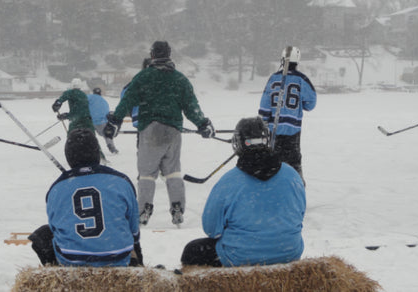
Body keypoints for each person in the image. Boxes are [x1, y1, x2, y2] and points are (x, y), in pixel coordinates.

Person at [104, 41, 215, 226]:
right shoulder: (180, 79)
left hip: (150, 128)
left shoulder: (143, 77)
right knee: (173, 171)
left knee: (147, 173)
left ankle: (144, 209)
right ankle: (177, 207)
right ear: (169, 55)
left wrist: (115, 121)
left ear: (152, 55)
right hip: (173, 130)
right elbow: (191, 107)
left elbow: (128, 100)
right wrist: (203, 124)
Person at [180, 117, 306, 267]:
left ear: (238, 143)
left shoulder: (228, 181)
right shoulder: (292, 175)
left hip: (239, 256)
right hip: (289, 252)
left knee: (191, 250)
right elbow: (300, 214)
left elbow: (211, 229)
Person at [29, 129, 143, 267]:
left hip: (71, 260)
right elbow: (133, 228)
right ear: (96, 152)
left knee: (43, 234)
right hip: (119, 257)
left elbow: (55, 227)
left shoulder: (57, 188)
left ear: (69, 156)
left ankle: (53, 268)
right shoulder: (121, 181)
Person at [258, 46, 316, 180]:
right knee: (294, 162)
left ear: (282, 60)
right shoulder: (302, 79)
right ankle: (297, 186)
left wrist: (264, 122)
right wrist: (301, 105)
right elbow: (311, 103)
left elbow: (264, 104)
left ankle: (273, 185)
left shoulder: (274, 78)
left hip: (274, 130)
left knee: (274, 161)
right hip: (292, 130)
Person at [87, 87, 119, 154]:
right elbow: (106, 111)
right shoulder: (104, 101)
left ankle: (90, 148)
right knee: (107, 135)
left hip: (91, 120)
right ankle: (112, 147)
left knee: (89, 135)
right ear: (100, 93)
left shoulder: (89, 97)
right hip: (102, 121)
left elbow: (83, 101)